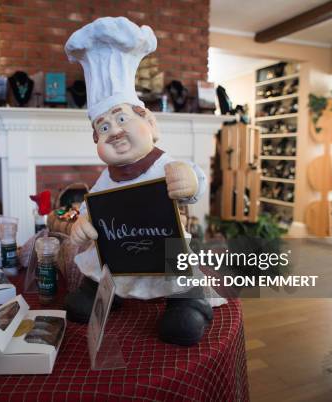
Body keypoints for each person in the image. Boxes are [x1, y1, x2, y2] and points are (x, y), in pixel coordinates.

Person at [64, 17, 226, 346]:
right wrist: (82, 223)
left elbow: (196, 178)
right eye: (104, 128)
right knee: (96, 276)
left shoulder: (163, 165)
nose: (115, 132)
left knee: (179, 281)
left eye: (121, 119)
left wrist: (189, 182)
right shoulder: (106, 178)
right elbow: (91, 206)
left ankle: (189, 303)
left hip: (163, 252)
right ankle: (106, 292)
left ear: (149, 123)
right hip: (119, 254)